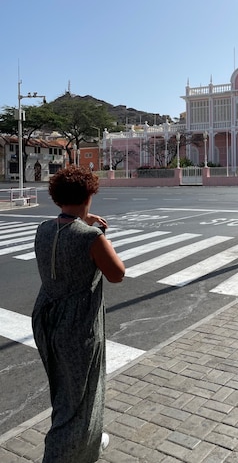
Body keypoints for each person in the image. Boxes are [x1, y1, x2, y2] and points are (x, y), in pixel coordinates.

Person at [32, 165, 125, 463]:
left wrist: (84, 222)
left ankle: (89, 443)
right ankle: (60, 453)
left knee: (65, 392)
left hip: (46, 317)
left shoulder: (43, 229)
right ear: (89, 195)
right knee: (80, 396)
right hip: (78, 324)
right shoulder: (90, 237)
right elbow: (117, 274)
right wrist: (97, 233)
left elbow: (65, 232)